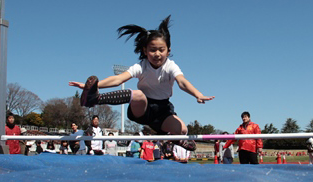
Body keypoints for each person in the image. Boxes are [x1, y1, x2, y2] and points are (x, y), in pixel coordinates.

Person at [69, 15, 214, 152]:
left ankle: (170, 139)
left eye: (161, 50)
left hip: (163, 111)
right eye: (152, 50)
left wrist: (197, 94)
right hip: (142, 108)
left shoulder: (171, 66)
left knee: (182, 130)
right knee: (138, 95)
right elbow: (119, 79)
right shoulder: (141, 66)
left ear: (168, 51)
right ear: (145, 51)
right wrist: (95, 86)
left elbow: (182, 82)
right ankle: (95, 99)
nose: (157, 54)